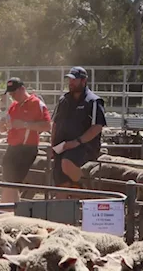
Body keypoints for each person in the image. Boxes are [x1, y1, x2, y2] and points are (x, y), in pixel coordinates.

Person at [51, 67, 106, 197]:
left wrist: (77, 141)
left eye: (74, 80)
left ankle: (86, 188)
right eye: (69, 79)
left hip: (83, 147)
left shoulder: (93, 101)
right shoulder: (63, 100)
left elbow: (97, 126)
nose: (71, 82)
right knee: (60, 182)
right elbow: (55, 123)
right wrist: (52, 144)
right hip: (61, 147)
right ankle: (64, 212)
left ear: (84, 81)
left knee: (67, 163)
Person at [0, 77, 51, 202]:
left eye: (14, 92)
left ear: (22, 89)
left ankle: (9, 207)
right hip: (13, 147)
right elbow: (7, 128)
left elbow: (47, 125)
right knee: (8, 181)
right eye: (10, 93)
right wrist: (2, 126)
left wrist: (25, 124)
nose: (12, 95)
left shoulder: (36, 103)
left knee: (12, 182)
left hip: (27, 148)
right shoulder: (14, 106)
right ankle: (9, 207)